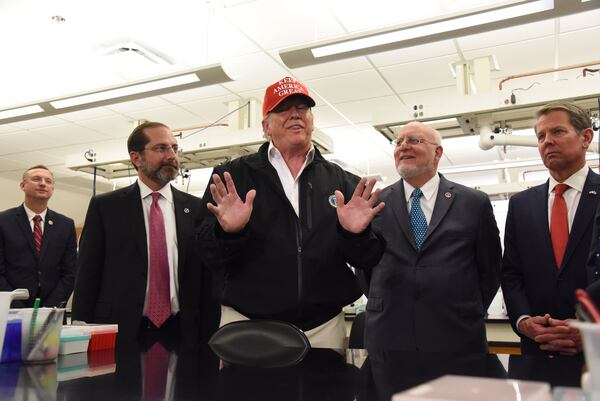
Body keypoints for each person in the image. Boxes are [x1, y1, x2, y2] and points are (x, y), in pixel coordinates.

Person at [197, 76, 385, 348]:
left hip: (322, 326)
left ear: (311, 121)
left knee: (324, 392)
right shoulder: (231, 177)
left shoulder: (343, 182)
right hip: (247, 323)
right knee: (244, 392)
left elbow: (368, 258)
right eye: (283, 109)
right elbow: (207, 253)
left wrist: (355, 234)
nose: (295, 114)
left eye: (302, 108)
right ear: (266, 127)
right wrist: (229, 233)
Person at [72, 121, 219, 345]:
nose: (171, 155)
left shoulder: (196, 208)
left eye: (174, 148)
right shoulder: (106, 207)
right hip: (121, 330)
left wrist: (211, 335)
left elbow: (207, 277)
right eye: (161, 148)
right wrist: (80, 332)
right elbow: (88, 273)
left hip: (183, 330)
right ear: (136, 157)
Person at [363, 122, 501, 352]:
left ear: (438, 152)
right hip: (390, 336)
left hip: (457, 334)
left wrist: (466, 308)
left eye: (414, 141)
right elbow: (364, 268)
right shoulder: (375, 204)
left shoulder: (473, 203)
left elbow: (490, 269)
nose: (403, 147)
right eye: (399, 142)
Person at [501, 102, 600, 355]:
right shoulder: (521, 205)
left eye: (557, 132)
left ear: (586, 137)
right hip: (537, 353)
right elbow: (511, 274)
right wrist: (524, 322)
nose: (547, 141)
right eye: (541, 136)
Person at [0, 165, 77, 308]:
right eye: (36, 179)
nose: (43, 183)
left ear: (52, 189)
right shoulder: (3, 221)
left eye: (48, 181)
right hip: (10, 309)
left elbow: (70, 273)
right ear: (23, 185)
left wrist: (49, 308)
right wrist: (16, 307)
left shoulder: (65, 225)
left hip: (51, 312)